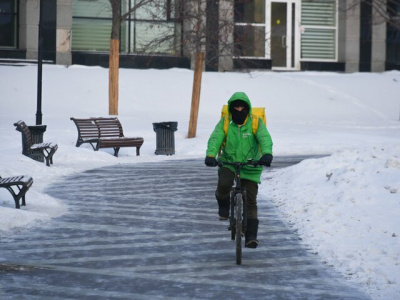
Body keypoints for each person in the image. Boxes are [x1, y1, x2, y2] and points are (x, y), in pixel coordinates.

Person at [204, 92, 273, 248]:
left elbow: (264, 138)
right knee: (224, 184)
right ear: (231, 108)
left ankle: (251, 236)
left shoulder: (255, 122)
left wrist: (267, 154)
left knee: (250, 201)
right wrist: (210, 155)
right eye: (236, 107)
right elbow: (216, 138)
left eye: (242, 106)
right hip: (229, 162)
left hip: (251, 164)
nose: (239, 109)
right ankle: (223, 202)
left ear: (247, 107)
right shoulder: (225, 122)